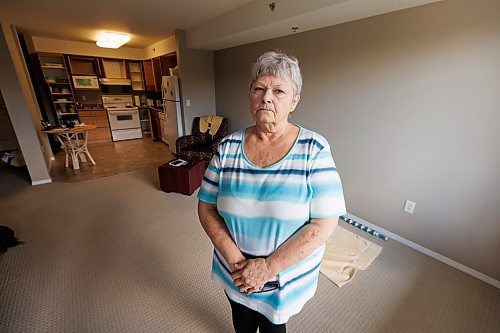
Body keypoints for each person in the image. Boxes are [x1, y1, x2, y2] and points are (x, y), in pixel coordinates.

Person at [197, 50, 346, 333]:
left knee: (273, 326)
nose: (267, 97)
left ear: (294, 102)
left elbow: (324, 224)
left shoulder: (314, 149)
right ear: (250, 96)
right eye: (259, 89)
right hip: (234, 271)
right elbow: (206, 206)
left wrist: (267, 268)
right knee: (240, 319)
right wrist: (238, 263)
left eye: (279, 91)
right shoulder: (227, 147)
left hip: (283, 278)